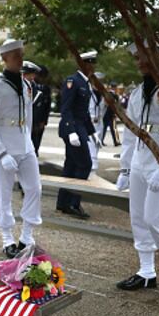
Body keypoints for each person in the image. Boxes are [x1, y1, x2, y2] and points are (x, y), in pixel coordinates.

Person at [115, 42, 159, 292]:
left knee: (155, 217)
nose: (140, 63)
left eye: (144, 57)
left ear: (158, 56)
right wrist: (125, 168)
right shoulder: (138, 92)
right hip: (140, 161)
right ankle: (146, 272)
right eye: (137, 58)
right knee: (138, 218)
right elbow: (130, 132)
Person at [0, 39, 42, 258]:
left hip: (25, 146)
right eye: (16, 55)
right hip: (5, 147)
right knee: (4, 193)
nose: (20, 59)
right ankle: (7, 238)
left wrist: (29, 143)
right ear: (4, 58)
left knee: (35, 189)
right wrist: (0, 152)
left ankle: (27, 235)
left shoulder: (26, 85)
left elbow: (28, 118)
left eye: (21, 54)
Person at [55, 50, 98, 219]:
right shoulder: (73, 81)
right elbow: (66, 108)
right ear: (83, 64)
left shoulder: (85, 83)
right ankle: (73, 203)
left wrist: (92, 132)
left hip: (80, 127)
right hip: (72, 127)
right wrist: (72, 131)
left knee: (71, 165)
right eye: (90, 63)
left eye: (93, 63)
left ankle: (63, 202)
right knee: (85, 164)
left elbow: (84, 112)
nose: (93, 66)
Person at [31, 64, 52, 156]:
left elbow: (47, 106)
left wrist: (44, 121)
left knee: (37, 140)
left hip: (40, 119)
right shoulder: (30, 86)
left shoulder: (46, 89)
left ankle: (35, 152)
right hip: (31, 119)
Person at [100, 82, 120, 146]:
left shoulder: (107, 94)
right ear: (115, 87)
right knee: (113, 128)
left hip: (106, 113)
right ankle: (115, 142)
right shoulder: (115, 95)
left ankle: (101, 140)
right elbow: (116, 105)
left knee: (104, 128)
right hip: (111, 113)